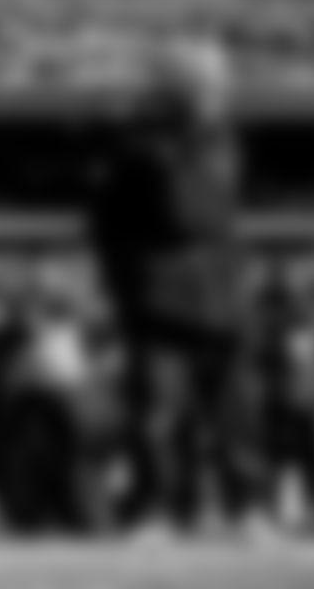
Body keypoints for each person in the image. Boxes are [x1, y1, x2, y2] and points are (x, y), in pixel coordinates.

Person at [86, 39, 252, 538]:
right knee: (156, 411)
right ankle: (154, 510)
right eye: (207, 81)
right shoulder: (137, 146)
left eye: (219, 81)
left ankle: (246, 508)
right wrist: (122, 286)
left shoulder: (224, 139)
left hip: (220, 286)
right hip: (158, 289)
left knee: (235, 409)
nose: (218, 90)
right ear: (179, 88)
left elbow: (222, 215)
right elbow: (108, 222)